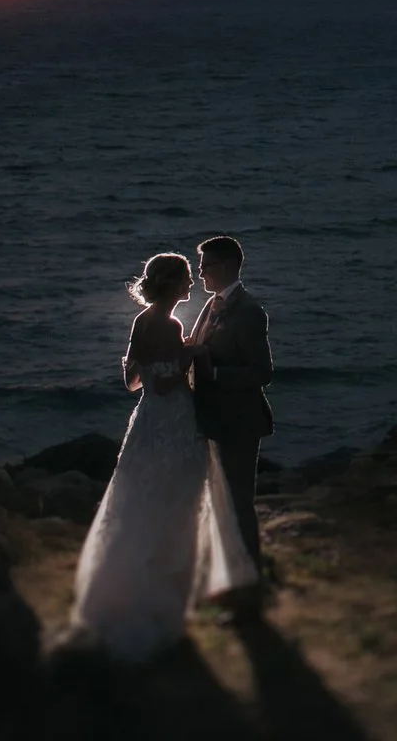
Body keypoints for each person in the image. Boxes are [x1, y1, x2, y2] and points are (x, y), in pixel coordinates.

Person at [64, 251, 257, 658]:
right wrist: (189, 355)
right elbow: (169, 384)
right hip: (173, 419)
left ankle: (132, 585)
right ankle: (164, 598)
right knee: (178, 501)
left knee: (140, 497)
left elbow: (132, 380)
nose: (192, 284)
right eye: (187, 279)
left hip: (147, 418)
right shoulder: (168, 325)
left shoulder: (141, 321)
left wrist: (167, 361)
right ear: (173, 285)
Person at [188, 234, 275, 586]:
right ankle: (228, 579)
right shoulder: (214, 304)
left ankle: (249, 582)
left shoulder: (249, 311)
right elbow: (199, 347)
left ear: (224, 266)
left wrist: (215, 373)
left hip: (239, 422)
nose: (199, 272)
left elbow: (262, 372)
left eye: (204, 265)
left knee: (239, 505)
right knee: (221, 504)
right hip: (213, 419)